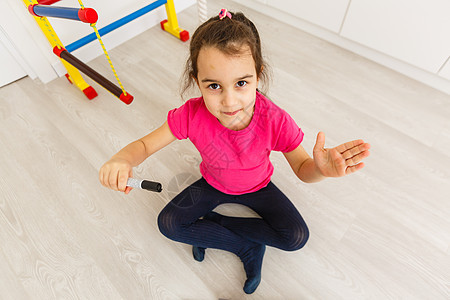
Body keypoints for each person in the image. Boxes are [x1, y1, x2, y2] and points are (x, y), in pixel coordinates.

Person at [99, 9, 371, 294]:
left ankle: (215, 223)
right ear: (197, 80)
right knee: (168, 224)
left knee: (296, 238)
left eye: (242, 83)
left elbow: (304, 169)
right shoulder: (191, 114)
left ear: (258, 76)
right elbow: (144, 145)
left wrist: (321, 170)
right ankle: (244, 244)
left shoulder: (275, 119)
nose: (230, 101)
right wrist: (121, 159)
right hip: (213, 185)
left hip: (259, 187)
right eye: (214, 86)